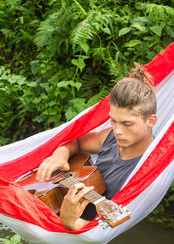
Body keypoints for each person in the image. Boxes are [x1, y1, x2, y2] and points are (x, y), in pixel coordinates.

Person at [36, 63, 157, 230]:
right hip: (52, 205)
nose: (118, 131)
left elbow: (90, 230)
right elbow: (75, 140)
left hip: (81, 225)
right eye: (113, 121)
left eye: (127, 124)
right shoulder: (110, 137)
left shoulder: (147, 170)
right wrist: (61, 155)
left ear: (150, 121)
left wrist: (68, 221)